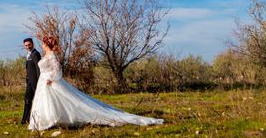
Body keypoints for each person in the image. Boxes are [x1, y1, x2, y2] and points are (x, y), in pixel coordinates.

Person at [28, 35, 164, 131]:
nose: (42, 44)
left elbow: (58, 71)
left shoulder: (51, 55)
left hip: (49, 82)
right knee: (46, 103)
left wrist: (51, 79)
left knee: (73, 101)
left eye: (43, 42)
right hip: (43, 83)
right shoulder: (46, 55)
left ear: (46, 44)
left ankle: (51, 121)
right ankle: (46, 121)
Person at [21, 37, 41, 124]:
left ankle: (34, 119)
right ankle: (25, 119)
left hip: (35, 82)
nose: (28, 46)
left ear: (32, 44)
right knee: (27, 99)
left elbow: (38, 68)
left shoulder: (35, 54)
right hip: (29, 82)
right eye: (26, 45)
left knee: (36, 101)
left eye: (29, 45)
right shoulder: (29, 54)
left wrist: (39, 82)